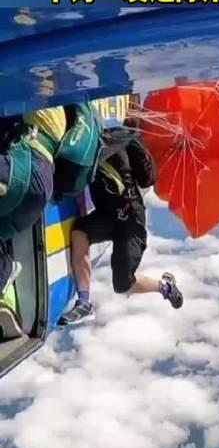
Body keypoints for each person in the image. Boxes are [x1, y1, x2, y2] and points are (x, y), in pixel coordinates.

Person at [58, 118, 183, 326]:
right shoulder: (89, 143)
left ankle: (165, 286)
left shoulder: (120, 139)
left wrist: (133, 140)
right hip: (108, 213)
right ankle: (84, 302)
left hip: (130, 222)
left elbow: (147, 178)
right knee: (79, 232)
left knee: (123, 284)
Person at [0, 101, 103, 339]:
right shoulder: (58, 104)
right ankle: (4, 278)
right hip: (37, 190)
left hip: (22, 169)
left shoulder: (37, 85)